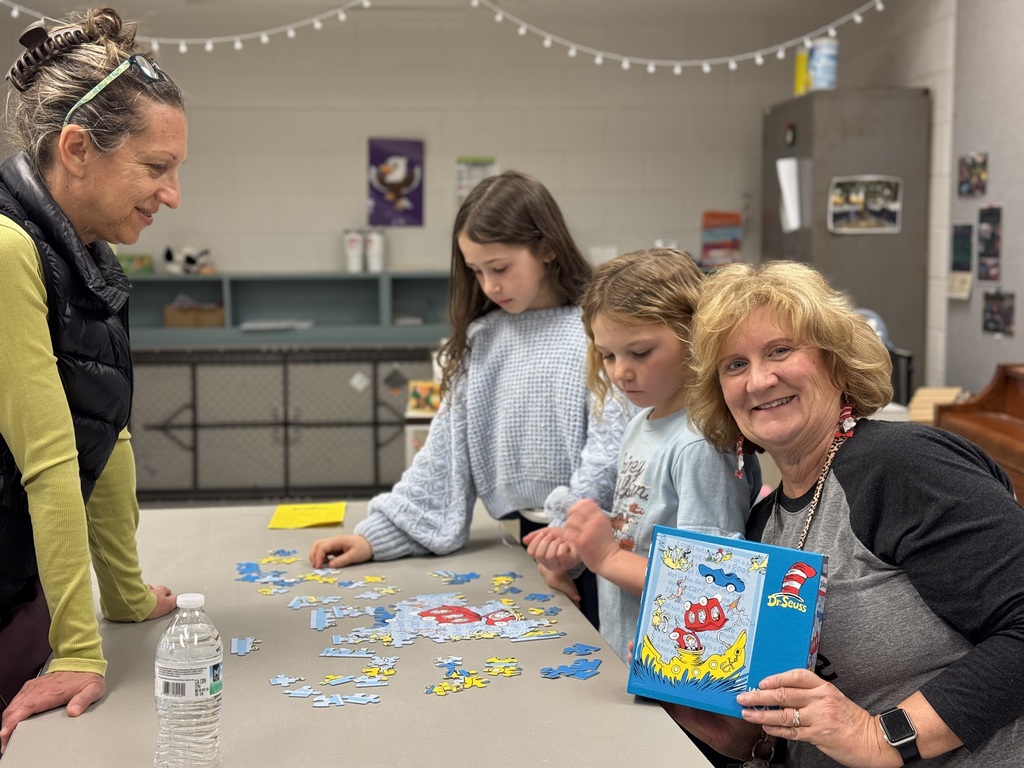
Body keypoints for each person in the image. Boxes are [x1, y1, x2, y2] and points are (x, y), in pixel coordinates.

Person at [672, 260, 1024, 766]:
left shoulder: (901, 467)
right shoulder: (763, 522)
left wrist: (882, 736)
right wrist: (752, 742)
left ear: (835, 364)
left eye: (780, 350)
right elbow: (819, 716)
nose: (759, 380)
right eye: (734, 365)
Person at [309, 171, 626, 623]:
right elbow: (442, 458)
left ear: (548, 248)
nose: (490, 286)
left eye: (499, 267)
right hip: (524, 552)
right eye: (476, 271)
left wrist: (565, 541)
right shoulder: (483, 339)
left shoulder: (599, 331)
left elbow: (609, 453)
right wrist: (378, 535)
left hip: (597, 552)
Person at [0, 8, 186, 753]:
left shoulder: (91, 252)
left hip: (27, 586)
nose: (172, 194)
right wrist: (79, 649)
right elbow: (46, 461)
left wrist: (126, 593)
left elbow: (107, 434)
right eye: (156, 167)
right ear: (77, 149)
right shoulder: (10, 250)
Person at [523, 248, 759, 664]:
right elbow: (637, 535)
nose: (619, 372)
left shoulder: (700, 444)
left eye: (640, 352)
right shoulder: (640, 424)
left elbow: (709, 590)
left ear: (694, 336)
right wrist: (577, 554)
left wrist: (606, 557)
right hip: (629, 654)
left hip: (679, 669)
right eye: (609, 355)